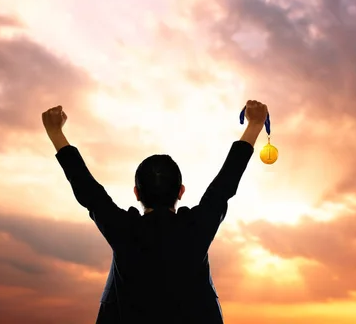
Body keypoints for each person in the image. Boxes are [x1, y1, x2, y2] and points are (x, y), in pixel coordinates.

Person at [42, 100, 269, 324]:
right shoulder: (196, 229)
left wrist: (55, 133)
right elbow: (224, 185)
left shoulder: (124, 230)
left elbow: (88, 191)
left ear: (136, 193)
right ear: (180, 191)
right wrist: (254, 125)